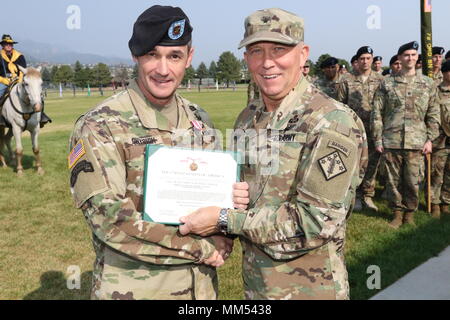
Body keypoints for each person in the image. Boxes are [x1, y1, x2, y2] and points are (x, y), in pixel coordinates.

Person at [179, 8, 368, 300]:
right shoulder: (248, 118)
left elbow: (315, 223)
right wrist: (223, 226)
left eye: (279, 49)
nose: (267, 63)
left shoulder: (331, 121)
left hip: (311, 289)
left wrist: (226, 220)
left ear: (302, 54)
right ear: (246, 59)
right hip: (257, 286)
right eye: (256, 51)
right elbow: (241, 193)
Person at [68, 5, 244, 300]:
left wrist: (227, 220)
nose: (163, 69)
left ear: (189, 57)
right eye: (152, 55)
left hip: (199, 292)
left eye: (174, 56)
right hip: (136, 290)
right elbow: (108, 219)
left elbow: (217, 201)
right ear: (136, 55)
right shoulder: (100, 124)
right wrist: (201, 248)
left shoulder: (199, 120)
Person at [371, 41, 440, 228]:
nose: (410, 58)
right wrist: (378, 138)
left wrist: (429, 139)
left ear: (417, 58)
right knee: (393, 181)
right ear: (399, 58)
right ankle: (397, 213)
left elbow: (433, 113)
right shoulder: (387, 83)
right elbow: (377, 112)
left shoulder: (428, 84)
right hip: (391, 140)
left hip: (416, 141)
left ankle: (410, 213)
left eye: (413, 55)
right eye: (406, 55)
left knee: (412, 180)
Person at [337, 46, 384, 211]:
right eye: (362, 58)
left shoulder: (380, 80)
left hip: (373, 128)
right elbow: (340, 104)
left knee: (372, 163)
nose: (365, 61)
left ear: (372, 60)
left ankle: (368, 195)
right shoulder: (347, 79)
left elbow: (384, 106)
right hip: (354, 129)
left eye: (368, 58)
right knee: (354, 163)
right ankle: (354, 196)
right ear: (357, 60)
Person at [430, 60, 450, 218]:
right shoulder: (435, 91)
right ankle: (434, 202)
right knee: (437, 172)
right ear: (444, 73)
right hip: (440, 139)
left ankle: (446, 202)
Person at [0, 34, 26, 99]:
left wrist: (19, 82)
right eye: (6, 43)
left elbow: (22, 71)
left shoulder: (20, 56)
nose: (9, 45)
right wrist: (4, 81)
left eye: (10, 43)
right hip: (3, 82)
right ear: (2, 45)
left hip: (18, 81)